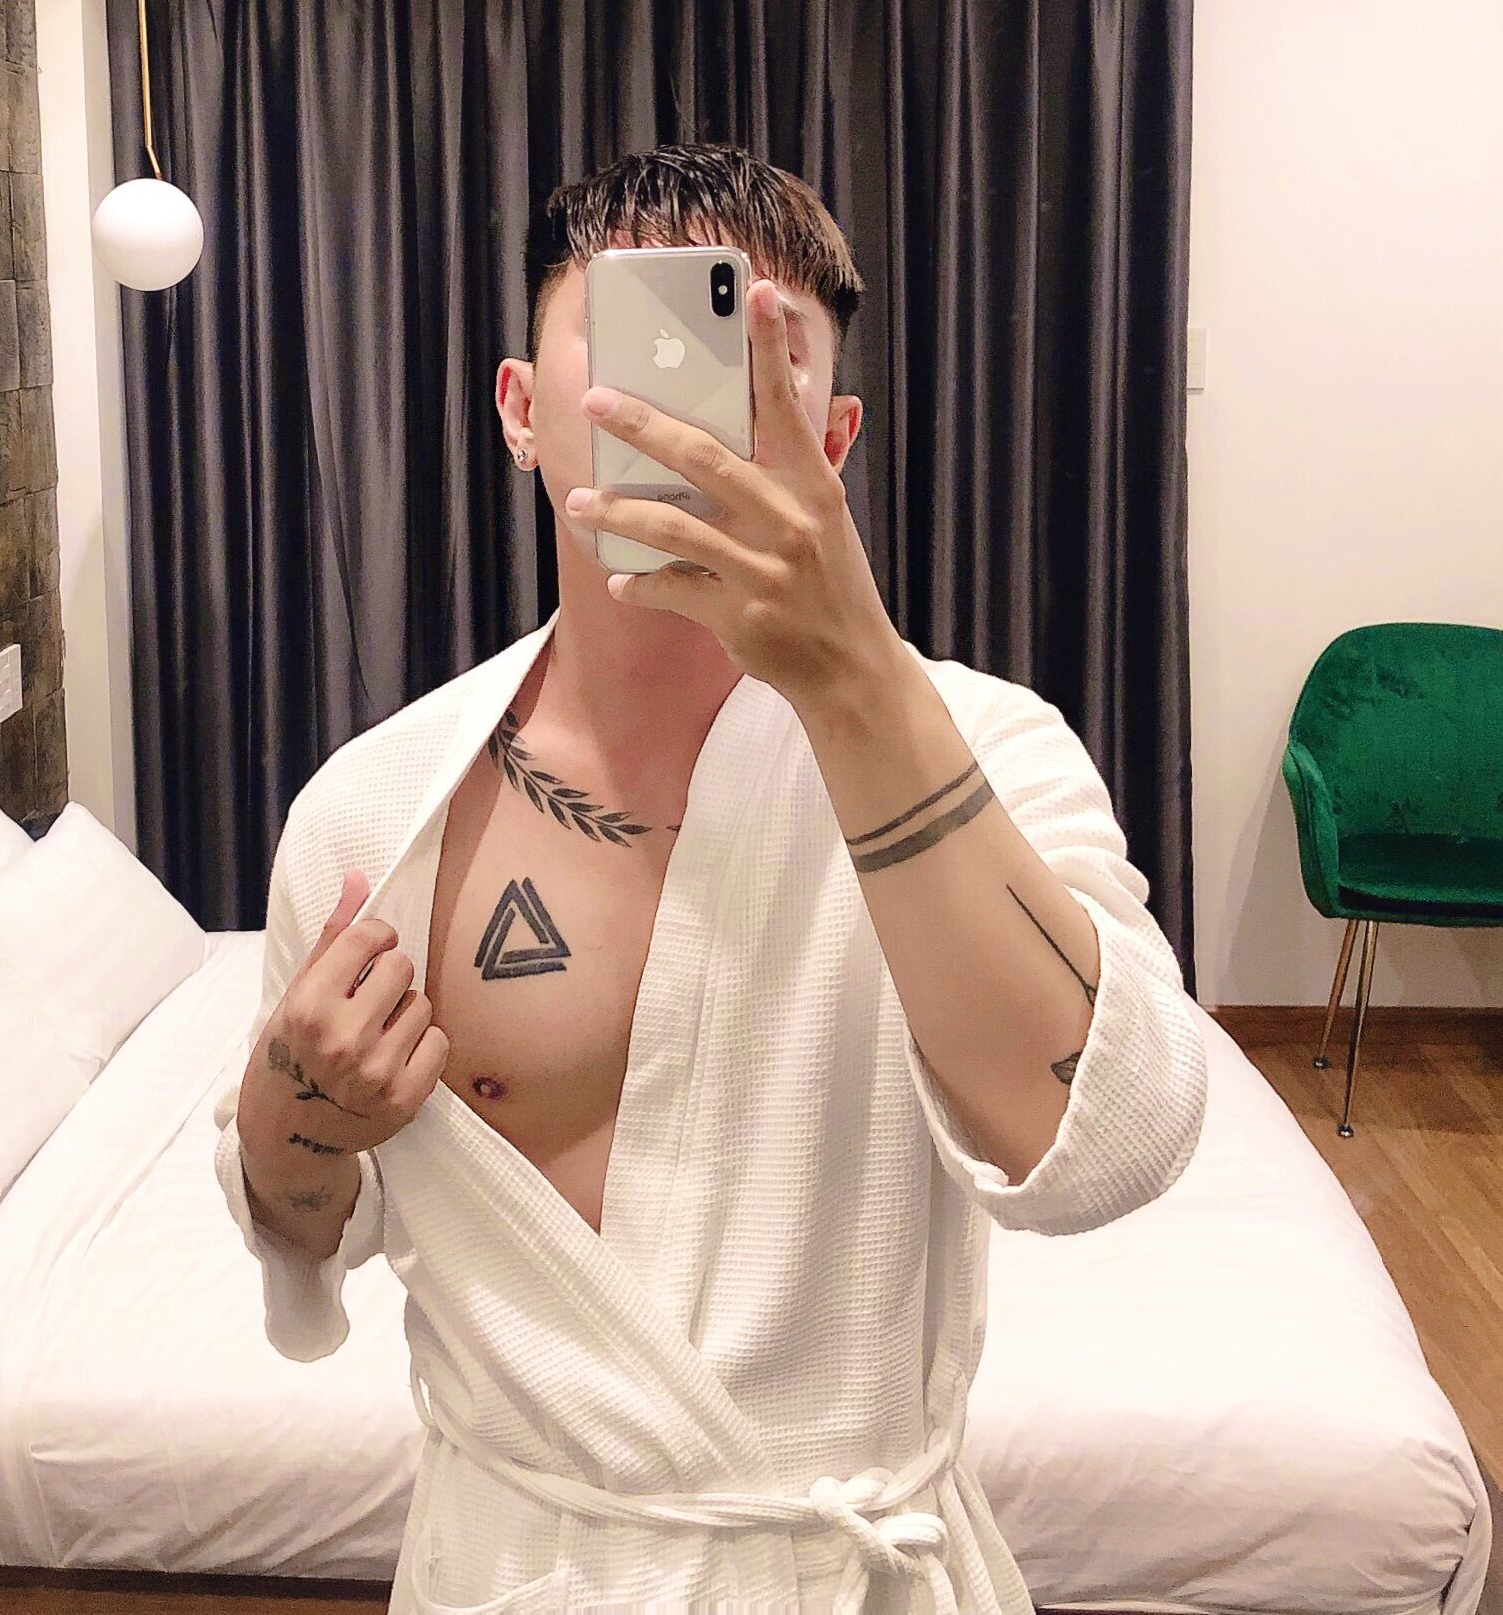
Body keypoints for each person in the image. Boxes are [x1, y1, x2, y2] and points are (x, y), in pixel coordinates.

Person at [211, 142, 1208, 1615]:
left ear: (834, 436)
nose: (687, 398)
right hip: (510, 1569)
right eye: (641, 334)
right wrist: (286, 1121)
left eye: (757, 348)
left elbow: (1110, 1144)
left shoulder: (988, 748)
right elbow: (310, 1230)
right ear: (521, 410)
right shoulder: (374, 812)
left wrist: (855, 677)